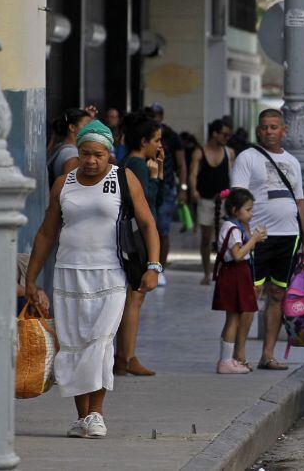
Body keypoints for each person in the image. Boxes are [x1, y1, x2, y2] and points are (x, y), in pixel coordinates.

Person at [24, 120, 161, 439]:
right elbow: (46, 233)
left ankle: (96, 413)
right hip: (68, 275)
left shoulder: (123, 178)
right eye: (85, 153)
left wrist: (153, 266)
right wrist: (31, 280)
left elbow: (148, 224)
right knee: (73, 345)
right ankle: (82, 417)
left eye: (98, 154)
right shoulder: (64, 183)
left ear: (108, 153)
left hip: (110, 274)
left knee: (99, 343)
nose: (90, 160)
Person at [230, 109, 304, 370]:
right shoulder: (247, 158)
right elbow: (238, 198)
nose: (269, 131)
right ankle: (239, 354)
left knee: (278, 294)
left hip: (289, 237)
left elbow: (300, 202)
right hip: (258, 237)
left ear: (283, 130)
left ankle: (268, 354)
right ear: (258, 130)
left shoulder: (293, 162)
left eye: (274, 127)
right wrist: (244, 236)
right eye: (264, 127)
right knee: (251, 295)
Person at [114, 110, 163, 377]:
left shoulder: (128, 161)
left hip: (130, 236)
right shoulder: (139, 166)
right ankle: (127, 356)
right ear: (143, 141)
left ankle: (124, 356)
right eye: (156, 140)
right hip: (138, 238)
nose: (159, 146)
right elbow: (147, 206)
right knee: (135, 296)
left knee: (132, 297)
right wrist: (155, 179)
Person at [212, 188, 266, 374]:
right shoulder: (233, 228)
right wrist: (253, 241)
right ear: (235, 210)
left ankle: (227, 359)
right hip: (234, 274)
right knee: (233, 318)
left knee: (233, 318)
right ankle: (226, 361)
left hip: (237, 274)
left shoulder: (232, 226)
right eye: (248, 210)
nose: (251, 214)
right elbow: (237, 255)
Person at [145, 104, 187, 281]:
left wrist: (182, 188)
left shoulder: (172, 136)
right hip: (148, 183)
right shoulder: (145, 135)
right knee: (148, 226)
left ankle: (159, 268)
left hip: (167, 186)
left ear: (162, 116)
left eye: (157, 115)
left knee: (162, 229)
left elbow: (181, 164)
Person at [191, 119, 235, 284]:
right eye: (224, 134)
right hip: (206, 200)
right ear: (215, 133)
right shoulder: (199, 152)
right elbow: (193, 174)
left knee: (224, 238)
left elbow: (234, 175)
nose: (226, 137)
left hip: (224, 201)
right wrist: (193, 190)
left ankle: (223, 270)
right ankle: (207, 272)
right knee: (206, 238)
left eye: (228, 135)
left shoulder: (229, 153)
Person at [48, 108, 91, 186]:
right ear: (72, 127)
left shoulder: (59, 147)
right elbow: (70, 190)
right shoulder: (72, 155)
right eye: (86, 126)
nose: (91, 129)